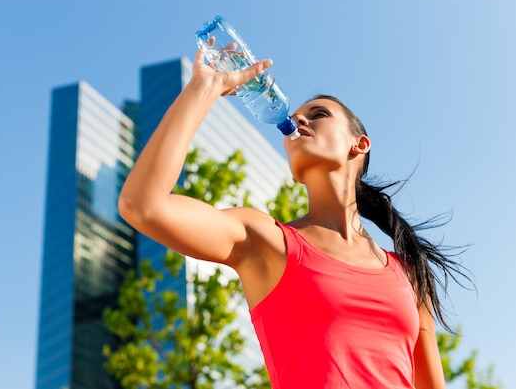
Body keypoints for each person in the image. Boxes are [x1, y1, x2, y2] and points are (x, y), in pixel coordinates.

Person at [118, 50, 465, 389]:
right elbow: (142, 205)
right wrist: (203, 89)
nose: (299, 121)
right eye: (297, 117)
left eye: (318, 114)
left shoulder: (409, 273)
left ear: (358, 145)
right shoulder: (265, 240)